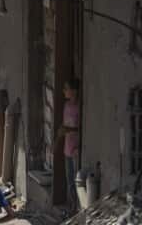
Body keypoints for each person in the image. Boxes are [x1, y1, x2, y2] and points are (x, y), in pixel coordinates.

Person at [60, 79, 81, 207]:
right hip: (67, 147)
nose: (64, 91)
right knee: (70, 181)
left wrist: (68, 130)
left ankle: (77, 207)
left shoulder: (79, 107)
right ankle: (72, 206)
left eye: (66, 88)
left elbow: (80, 128)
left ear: (74, 91)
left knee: (76, 180)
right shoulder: (66, 105)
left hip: (76, 149)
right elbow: (64, 125)